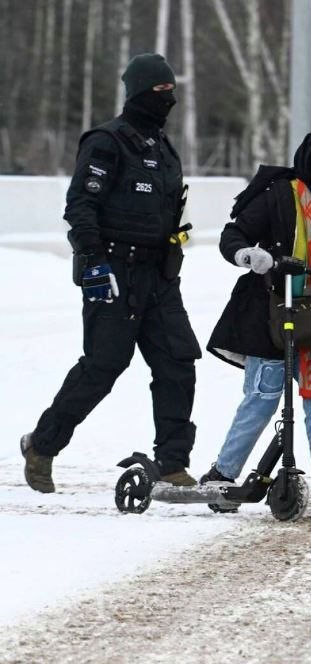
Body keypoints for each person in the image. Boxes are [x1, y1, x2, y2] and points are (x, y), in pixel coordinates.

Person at [21, 53, 200, 493]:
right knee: (104, 365)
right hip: (113, 270)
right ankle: (42, 446)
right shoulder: (107, 141)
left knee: (178, 363)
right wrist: (95, 264)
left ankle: (173, 463)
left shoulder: (164, 149)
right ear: (139, 92)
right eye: (160, 90)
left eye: (171, 90)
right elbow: (80, 206)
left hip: (158, 276)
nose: (168, 98)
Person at [199, 133, 311, 520]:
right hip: (267, 311)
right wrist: (248, 254)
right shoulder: (277, 194)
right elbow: (233, 234)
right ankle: (222, 474)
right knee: (263, 396)